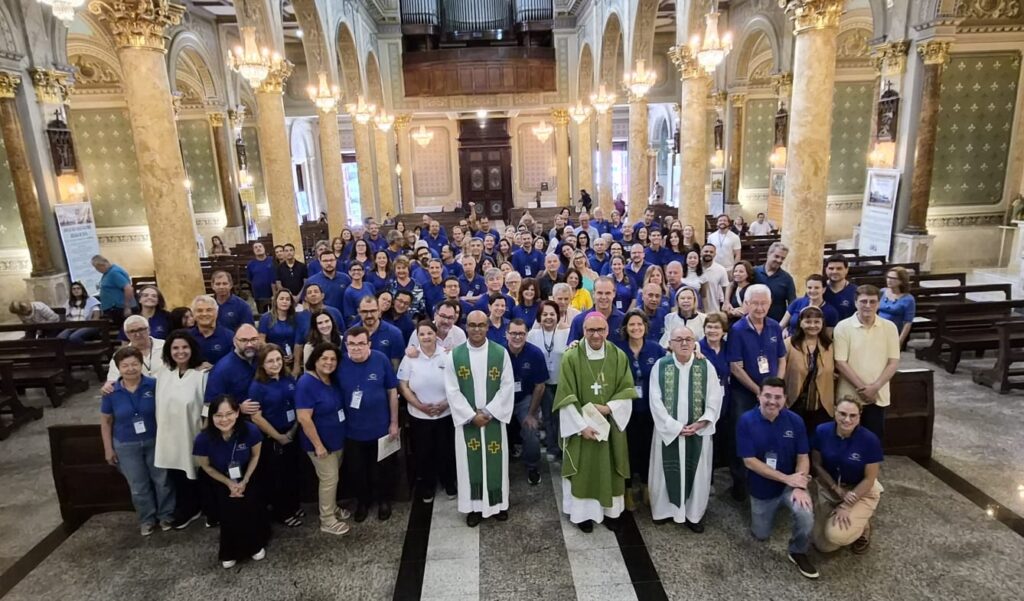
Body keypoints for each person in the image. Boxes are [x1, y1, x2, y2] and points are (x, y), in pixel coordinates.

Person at [554, 311, 636, 532]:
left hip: (611, 426)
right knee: (584, 469)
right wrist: (581, 428)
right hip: (583, 428)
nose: (596, 335)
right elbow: (565, 395)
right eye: (591, 330)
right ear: (583, 331)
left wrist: (609, 408)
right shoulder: (571, 358)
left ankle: (610, 512)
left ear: (607, 331)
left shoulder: (618, 356)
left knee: (610, 466)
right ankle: (583, 515)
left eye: (600, 330)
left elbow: (627, 391)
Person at [736, 377, 818, 579]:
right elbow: (749, 462)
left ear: (785, 399)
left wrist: (799, 485)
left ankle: (797, 551)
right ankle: (775, 510)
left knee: (806, 515)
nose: (772, 401)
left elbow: (803, 457)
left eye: (778, 397)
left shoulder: (795, 421)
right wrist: (786, 479)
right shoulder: (746, 421)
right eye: (768, 396)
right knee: (761, 535)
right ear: (759, 396)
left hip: (791, 484)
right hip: (763, 488)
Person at [443, 311, 515, 527]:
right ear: (466, 326)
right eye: (472, 325)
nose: (476, 329)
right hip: (468, 422)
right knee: (468, 464)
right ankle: (473, 507)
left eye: (481, 325)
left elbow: (507, 386)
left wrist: (490, 412)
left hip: (493, 419)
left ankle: (498, 504)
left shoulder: (500, 353)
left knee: (496, 463)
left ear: (487, 327)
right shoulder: (454, 356)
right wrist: (471, 415)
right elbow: (452, 390)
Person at [648, 325, 723, 529]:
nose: (684, 343)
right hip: (669, 433)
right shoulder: (661, 366)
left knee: (697, 473)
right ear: (670, 344)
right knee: (665, 471)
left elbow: (715, 398)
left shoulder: (705, 366)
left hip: (697, 432)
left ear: (694, 343)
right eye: (678, 339)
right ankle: (663, 510)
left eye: (688, 339)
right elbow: (655, 400)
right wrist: (674, 426)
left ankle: (693, 515)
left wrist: (702, 422)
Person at [100, 346, 174, 535]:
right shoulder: (111, 392)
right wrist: (108, 449)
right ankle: (147, 518)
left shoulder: (154, 385)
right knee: (138, 485)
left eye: (135, 364)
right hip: (126, 444)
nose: (131, 369)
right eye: (125, 365)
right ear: (118, 368)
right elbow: (106, 421)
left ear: (141, 365)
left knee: (162, 481)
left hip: (155, 440)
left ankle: (166, 515)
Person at [193, 395, 269, 568]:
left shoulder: (250, 430)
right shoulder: (203, 439)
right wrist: (229, 483)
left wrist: (246, 480)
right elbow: (206, 467)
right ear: (211, 417)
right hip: (219, 478)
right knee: (229, 512)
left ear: (237, 413)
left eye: (229, 414)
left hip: (247, 474)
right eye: (218, 415)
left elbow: (256, 455)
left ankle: (256, 544)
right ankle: (230, 550)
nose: (224, 419)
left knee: (251, 507)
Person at [727, 284, 788, 499]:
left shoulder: (774, 327)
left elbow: (782, 358)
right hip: (744, 392)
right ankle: (739, 483)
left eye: (764, 303)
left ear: (770, 304)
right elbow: (735, 366)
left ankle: (766, 478)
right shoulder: (737, 330)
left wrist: (777, 385)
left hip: (771, 393)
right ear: (746, 304)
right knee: (741, 434)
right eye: (755, 303)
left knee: (770, 434)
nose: (760, 307)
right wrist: (758, 390)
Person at [339, 326, 400, 522]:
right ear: (346, 345)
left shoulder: (380, 359)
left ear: (369, 344)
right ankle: (363, 503)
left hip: (380, 428)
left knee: (381, 469)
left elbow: (392, 392)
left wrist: (394, 422)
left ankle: (383, 501)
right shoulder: (340, 363)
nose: (356, 348)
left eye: (361, 344)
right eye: (352, 344)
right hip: (352, 431)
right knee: (357, 471)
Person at [811, 397, 884, 554]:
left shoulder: (870, 440)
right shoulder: (821, 431)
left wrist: (846, 505)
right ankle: (850, 517)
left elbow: (869, 478)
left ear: (859, 416)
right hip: (831, 486)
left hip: (859, 489)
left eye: (853, 416)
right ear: (835, 412)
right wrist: (834, 488)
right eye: (842, 414)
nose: (847, 420)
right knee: (823, 546)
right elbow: (817, 464)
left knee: (835, 536)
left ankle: (864, 525)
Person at [296, 343, 351, 535]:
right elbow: (303, 417)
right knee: (329, 479)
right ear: (315, 360)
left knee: (333, 478)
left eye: (333, 359)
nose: (329, 362)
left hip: (337, 439)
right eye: (324, 359)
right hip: (321, 444)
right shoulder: (306, 382)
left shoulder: (331, 379)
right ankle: (327, 519)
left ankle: (332, 507)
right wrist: (318, 445)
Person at [154, 330, 207, 530]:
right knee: (175, 473)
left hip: (192, 431)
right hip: (168, 432)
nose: (180, 351)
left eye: (185, 347)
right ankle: (185, 506)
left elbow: (207, 404)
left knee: (194, 472)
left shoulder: (201, 374)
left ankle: (194, 507)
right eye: (175, 348)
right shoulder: (164, 373)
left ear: (192, 349)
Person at [399, 321, 457, 502]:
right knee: (424, 452)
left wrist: (445, 404)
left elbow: (457, 385)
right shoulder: (410, 357)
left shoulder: (447, 355)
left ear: (435, 335)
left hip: (445, 414)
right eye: (421, 334)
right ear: (417, 337)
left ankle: (448, 482)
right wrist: (419, 405)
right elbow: (403, 385)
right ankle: (428, 485)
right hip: (420, 415)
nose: (426, 337)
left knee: (446, 450)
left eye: (429, 333)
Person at [833, 285, 900, 439]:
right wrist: (863, 389)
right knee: (846, 438)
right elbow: (841, 362)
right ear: (856, 302)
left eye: (872, 301)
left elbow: (893, 362)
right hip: (849, 395)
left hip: (878, 395)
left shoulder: (889, 328)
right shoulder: (843, 327)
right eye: (863, 301)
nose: (868, 306)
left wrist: (875, 387)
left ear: (879, 303)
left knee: (873, 440)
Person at [248, 344, 303, 527]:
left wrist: (293, 430)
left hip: (293, 432)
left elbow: (297, 404)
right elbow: (256, 417)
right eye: (270, 361)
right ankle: (282, 512)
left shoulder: (289, 378)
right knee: (277, 478)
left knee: (292, 473)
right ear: (262, 364)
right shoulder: (258, 386)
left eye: (278, 359)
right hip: (273, 437)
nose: (275, 364)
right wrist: (279, 437)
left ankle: (294, 505)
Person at [616, 310, 664, 505]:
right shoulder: (617, 350)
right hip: (625, 409)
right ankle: (627, 489)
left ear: (645, 327)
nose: (636, 328)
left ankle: (645, 485)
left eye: (639, 324)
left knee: (646, 448)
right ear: (625, 328)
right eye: (632, 325)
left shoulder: (656, 349)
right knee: (627, 449)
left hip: (649, 409)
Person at [507, 319, 549, 485]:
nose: (517, 337)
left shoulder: (535, 353)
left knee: (531, 429)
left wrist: (532, 414)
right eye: (514, 333)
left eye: (521, 333)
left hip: (525, 399)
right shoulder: (498, 352)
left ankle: (532, 466)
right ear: (507, 334)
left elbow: (540, 386)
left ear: (526, 335)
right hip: (502, 400)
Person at [784, 306, 836, 435]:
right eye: (808, 321)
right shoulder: (789, 344)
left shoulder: (830, 346)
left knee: (818, 444)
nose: (812, 325)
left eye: (817, 322)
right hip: (794, 402)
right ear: (800, 323)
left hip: (821, 404)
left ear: (822, 323)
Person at [103, 315, 166, 393]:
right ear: (126, 334)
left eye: (141, 329)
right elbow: (113, 379)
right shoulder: (120, 354)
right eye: (132, 331)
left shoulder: (166, 346)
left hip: (166, 390)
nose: (138, 334)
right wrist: (108, 385)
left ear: (149, 329)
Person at [754, 242, 796, 322]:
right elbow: (734, 284)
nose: (779, 260)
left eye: (782, 258)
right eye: (776, 256)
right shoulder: (754, 272)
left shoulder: (787, 278)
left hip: (776, 323)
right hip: (754, 321)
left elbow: (792, 304)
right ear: (768, 254)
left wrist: (785, 325)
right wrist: (727, 301)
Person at [92, 254, 136, 327]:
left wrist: (127, 307)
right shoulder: (108, 272)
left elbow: (128, 288)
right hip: (115, 309)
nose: (97, 270)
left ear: (101, 265)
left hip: (120, 308)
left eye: (96, 268)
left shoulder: (114, 273)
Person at [189, 295, 235, 364]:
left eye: (209, 310)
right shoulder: (186, 337)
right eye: (199, 311)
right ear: (193, 314)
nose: (204, 314)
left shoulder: (230, 337)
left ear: (217, 312)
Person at [879, 266, 916, 346]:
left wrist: (900, 341)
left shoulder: (908, 299)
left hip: (894, 332)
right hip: (878, 329)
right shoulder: (882, 292)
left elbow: (908, 322)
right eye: (888, 277)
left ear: (902, 281)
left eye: (893, 278)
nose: (889, 280)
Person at [258, 289, 298, 359]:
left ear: (291, 303)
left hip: (292, 357)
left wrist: (294, 355)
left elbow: (299, 340)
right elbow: (261, 341)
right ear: (276, 301)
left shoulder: (296, 318)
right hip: (272, 357)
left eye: (287, 299)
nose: (284, 301)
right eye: (281, 299)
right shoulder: (265, 318)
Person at [824, 254, 858, 321]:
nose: (835, 271)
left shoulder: (856, 292)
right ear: (826, 270)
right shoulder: (817, 289)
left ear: (846, 270)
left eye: (839, 268)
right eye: (831, 268)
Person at [246, 242, 276, 312]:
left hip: (274, 295)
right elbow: (250, 279)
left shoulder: (272, 260)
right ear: (253, 251)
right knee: (262, 317)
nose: (258, 248)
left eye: (260, 246)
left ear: (264, 248)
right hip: (259, 296)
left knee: (275, 315)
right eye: (255, 247)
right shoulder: (251, 264)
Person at [700, 245, 729, 313]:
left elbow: (725, 288)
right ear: (701, 252)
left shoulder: (721, 269)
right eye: (706, 251)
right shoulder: (694, 266)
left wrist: (726, 302)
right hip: (695, 309)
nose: (708, 253)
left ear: (715, 254)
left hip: (713, 309)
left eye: (711, 252)